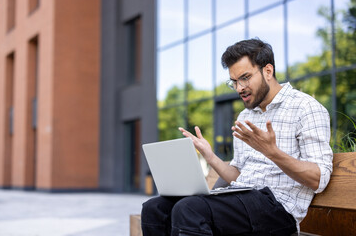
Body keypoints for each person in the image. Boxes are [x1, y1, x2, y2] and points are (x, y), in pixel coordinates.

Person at [141, 38, 333, 236]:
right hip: (242, 198)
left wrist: (272, 152)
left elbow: (319, 179)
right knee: (155, 208)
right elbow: (238, 176)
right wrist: (210, 156)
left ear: (268, 71)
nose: (239, 88)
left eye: (245, 77)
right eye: (234, 82)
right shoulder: (245, 116)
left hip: (278, 209)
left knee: (189, 209)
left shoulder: (306, 108)